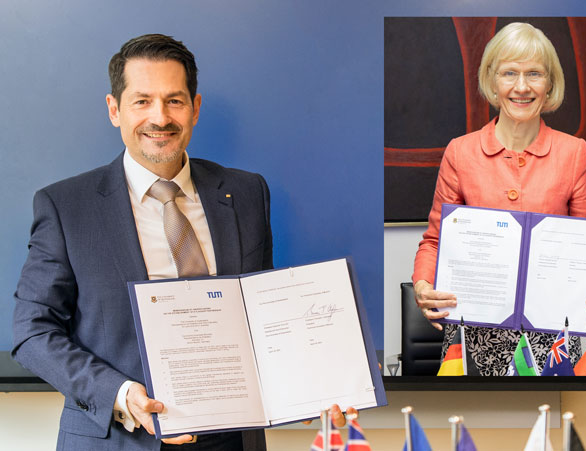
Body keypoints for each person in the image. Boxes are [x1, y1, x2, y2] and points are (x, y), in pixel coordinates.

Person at [12, 34, 351, 450]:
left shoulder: (245, 194)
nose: (160, 118)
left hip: (231, 441)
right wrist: (120, 395)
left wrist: (320, 380)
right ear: (114, 110)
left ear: (195, 108)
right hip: (119, 438)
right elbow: (32, 331)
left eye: (174, 100)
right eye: (142, 101)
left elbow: (265, 318)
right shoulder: (66, 207)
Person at [412, 22, 586, 376]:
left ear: (549, 83)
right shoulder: (460, 153)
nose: (522, 87)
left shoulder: (574, 154)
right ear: (492, 81)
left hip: (552, 336)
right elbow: (435, 241)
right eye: (509, 73)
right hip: (474, 333)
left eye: (534, 74)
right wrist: (422, 286)